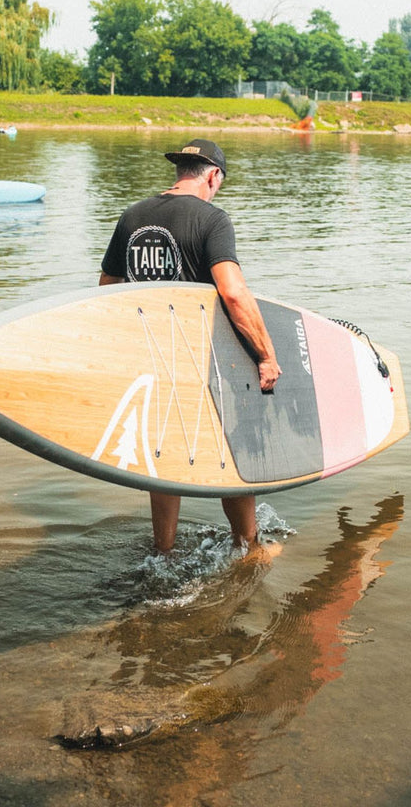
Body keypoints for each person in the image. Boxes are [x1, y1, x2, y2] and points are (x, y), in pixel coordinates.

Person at [99, 138, 282, 555]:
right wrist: (266, 355)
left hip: (152, 357)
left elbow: (107, 289)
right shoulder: (212, 219)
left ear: (180, 171)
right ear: (213, 175)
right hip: (204, 358)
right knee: (231, 454)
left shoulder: (133, 216)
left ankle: (162, 552)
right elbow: (233, 294)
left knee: (166, 456)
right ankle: (248, 548)